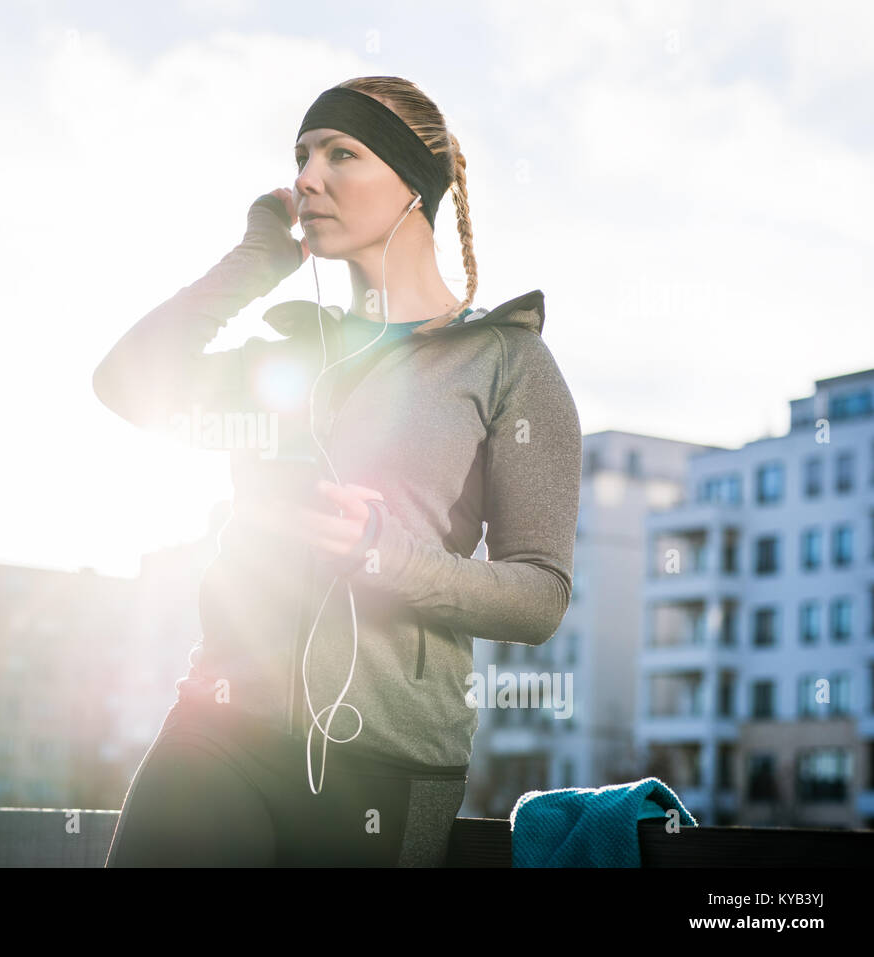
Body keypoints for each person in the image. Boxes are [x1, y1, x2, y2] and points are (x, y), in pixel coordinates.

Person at [92, 76, 582, 866]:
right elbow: (125, 384)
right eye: (301, 156)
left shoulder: (508, 362)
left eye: (341, 153)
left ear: (414, 187)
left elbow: (541, 596)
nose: (306, 178)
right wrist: (254, 261)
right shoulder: (285, 354)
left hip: (384, 761)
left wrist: (382, 553)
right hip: (216, 728)